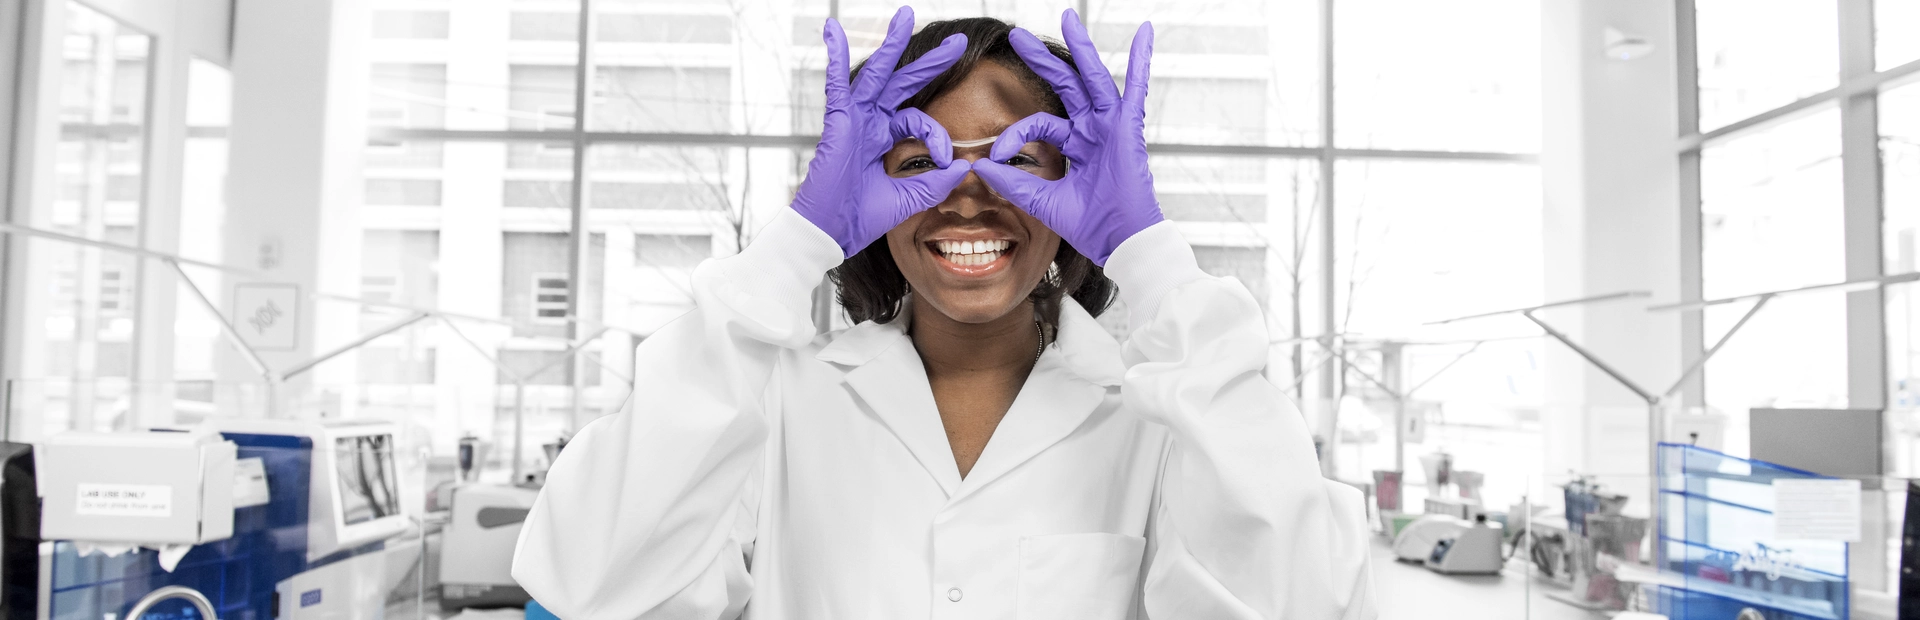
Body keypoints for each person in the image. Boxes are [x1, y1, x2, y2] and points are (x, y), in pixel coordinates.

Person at [512, 7, 1376, 619]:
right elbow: (592, 584)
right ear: (863, 190)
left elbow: (1300, 600)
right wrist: (795, 244)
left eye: (1021, 163)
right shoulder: (777, 401)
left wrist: (1146, 248)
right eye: (916, 160)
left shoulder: (1159, 417)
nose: (968, 198)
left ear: (1084, 192)